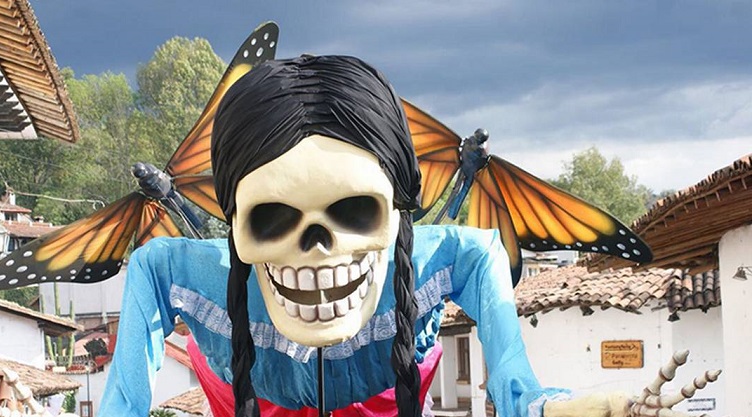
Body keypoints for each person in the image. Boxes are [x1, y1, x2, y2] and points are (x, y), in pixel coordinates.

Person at [98, 54, 712, 417]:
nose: (318, 245)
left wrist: (536, 404)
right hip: (256, 389)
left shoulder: (450, 253)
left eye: (356, 210)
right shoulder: (190, 272)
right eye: (272, 217)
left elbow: (483, 257)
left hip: (385, 390)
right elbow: (151, 268)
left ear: (397, 215)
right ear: (236, 225)